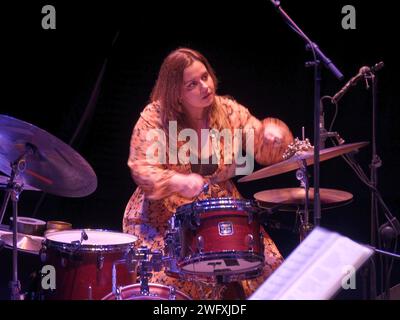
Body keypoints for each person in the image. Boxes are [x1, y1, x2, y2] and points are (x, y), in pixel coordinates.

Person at [123, 48, 294, 299]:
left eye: (205, 77)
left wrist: (272, 137)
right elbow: (141, 168)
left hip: (222, 213)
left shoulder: (228, 110)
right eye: (192, 84)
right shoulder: (155, 117)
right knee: (174, 287)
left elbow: (261, 144)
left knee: (270, 272)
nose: (204, 86)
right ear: (176, 93)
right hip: (165, 220)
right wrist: (177, 181)